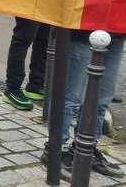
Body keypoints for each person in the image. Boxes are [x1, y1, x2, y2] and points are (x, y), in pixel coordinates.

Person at [40, 31, 124, 180]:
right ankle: (55, 150)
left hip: (117, 32)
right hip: (84, 30)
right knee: (71, 96)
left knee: (102, 98)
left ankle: (86, 150)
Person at [2, 18, 49, 110]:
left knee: (44, 39)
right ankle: (12, 88)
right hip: (28, 4)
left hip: (47, 4)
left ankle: (36, 84)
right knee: (23, 37)